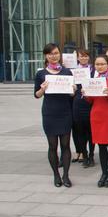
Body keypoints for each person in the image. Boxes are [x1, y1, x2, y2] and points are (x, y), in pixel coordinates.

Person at [34, 43, 75, 187]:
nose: (54, 56)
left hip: (65, 112)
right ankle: (56, 175)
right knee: (52, 146)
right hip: (50, 113)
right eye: (50, 53)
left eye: (56, 53)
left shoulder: (67, 72)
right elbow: (36, 95)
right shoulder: (41, 73)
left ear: (60, 54)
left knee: (66, 145)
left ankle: (66, 176)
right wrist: (42, 89)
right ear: (46, 56)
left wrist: (73, 90)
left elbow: (71, 95)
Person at [83, 54, 108, 188]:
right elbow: (91, 100)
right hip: (96, 115)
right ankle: (104, 173)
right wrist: (86, 94)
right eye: (97, 64)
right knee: (101, 146)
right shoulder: (94, 79)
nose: (100, 66)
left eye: (102, 64)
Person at [72, 49, 95, 168]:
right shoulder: (73, 71)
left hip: (90, 103)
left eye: (86, 56)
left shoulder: (93, 70)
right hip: (78, 103)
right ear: (77, 58)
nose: (83, 58)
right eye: (81, 56)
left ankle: (91, 155)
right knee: (80, 131)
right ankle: (84, 155)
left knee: (91, 132)